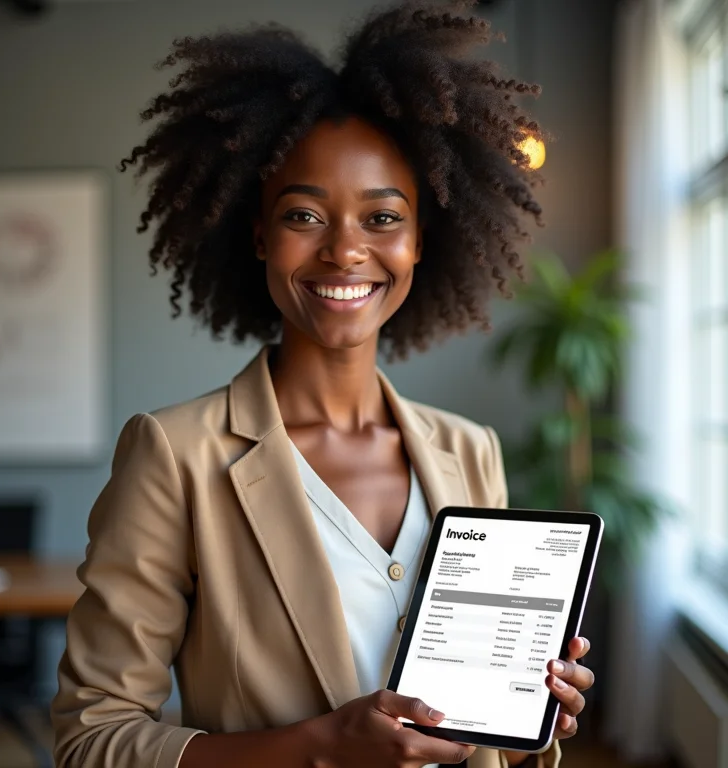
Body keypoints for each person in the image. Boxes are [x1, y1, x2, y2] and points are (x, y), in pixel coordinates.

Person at [51, 2, 595, 767]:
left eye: (382, 218)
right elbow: (92, 739)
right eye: (305, 214)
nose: (345, 251)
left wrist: (531, 716)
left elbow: (483, 742)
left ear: (419, 241)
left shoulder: (471, 450)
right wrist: (319, 745)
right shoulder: (175, 456)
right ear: (259, 234)